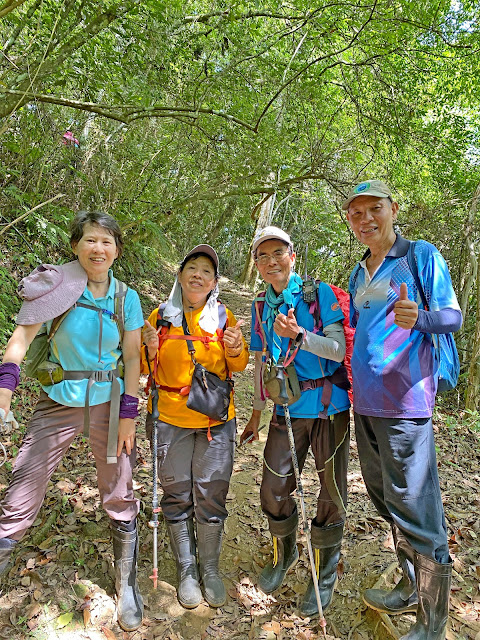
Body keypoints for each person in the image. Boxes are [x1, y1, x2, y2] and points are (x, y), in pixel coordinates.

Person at [0, 211, 144, 632]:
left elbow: (133, 358)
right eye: (90, 240)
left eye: (106, 241)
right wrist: (4, 393)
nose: (98, 249)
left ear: (117, 250)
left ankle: (126, 584)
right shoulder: (56, 287)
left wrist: (129, 417)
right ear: (76, 246)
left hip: (110, 401)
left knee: (119, 487)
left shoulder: (126, 298)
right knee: (25, 480)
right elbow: (20, 341)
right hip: (58, 399)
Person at [344, 180, 462, 639]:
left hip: (407, 404)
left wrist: (423, 319)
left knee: (418, 508)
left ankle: (432, 623)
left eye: (375, 209)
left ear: (393, 209)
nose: (367, 219)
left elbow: (452, 317)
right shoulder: (360, 272)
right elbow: (361, 330)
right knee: (387, 499)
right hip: (366, 405)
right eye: (357, 214)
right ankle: (411, 584)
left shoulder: (421, 256)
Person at [240, 226, 350, 617]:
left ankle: (323, 577)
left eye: (278, 253)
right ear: (256, 264)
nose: (271, 262)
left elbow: (337, 351)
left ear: (293, 255)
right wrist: (256, 412)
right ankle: (283, 556)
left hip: (327, 409)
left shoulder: (318, 295)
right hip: (285, 410)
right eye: (262, 256)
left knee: (331, 493)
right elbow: (258, 361)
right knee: (273, 489)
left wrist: (301, 334)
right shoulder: (259, 307)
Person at [142, 245, 248, 609]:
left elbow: (239, 366)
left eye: (206, 271)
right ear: (180, 274)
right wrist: (150, 350)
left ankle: (211, 568)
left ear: (214, 282)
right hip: (169, 418)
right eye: (192, 267)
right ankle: (187, 569)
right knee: (176, 493)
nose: (198, 274)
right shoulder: (160, 316)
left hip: (214, 421)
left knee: (212, 492)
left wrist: (234, 348)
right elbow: (144, 368)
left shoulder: (223, 316)